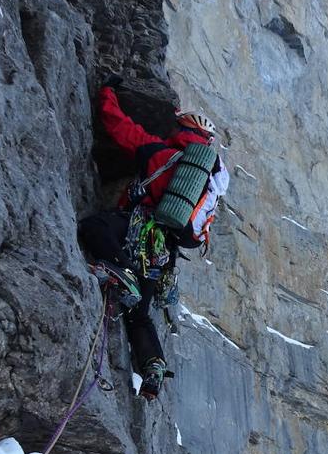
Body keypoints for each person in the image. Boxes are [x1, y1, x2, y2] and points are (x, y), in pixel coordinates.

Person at [78, 75, 229, 400]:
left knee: (93, 228)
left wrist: (107, 91)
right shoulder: (207, 178)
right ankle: (153, 366)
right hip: (163, 252)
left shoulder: (162, 153)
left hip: (137, 228)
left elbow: (120, 127)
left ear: (184, 132)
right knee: (140, 315)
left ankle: (123, 272)